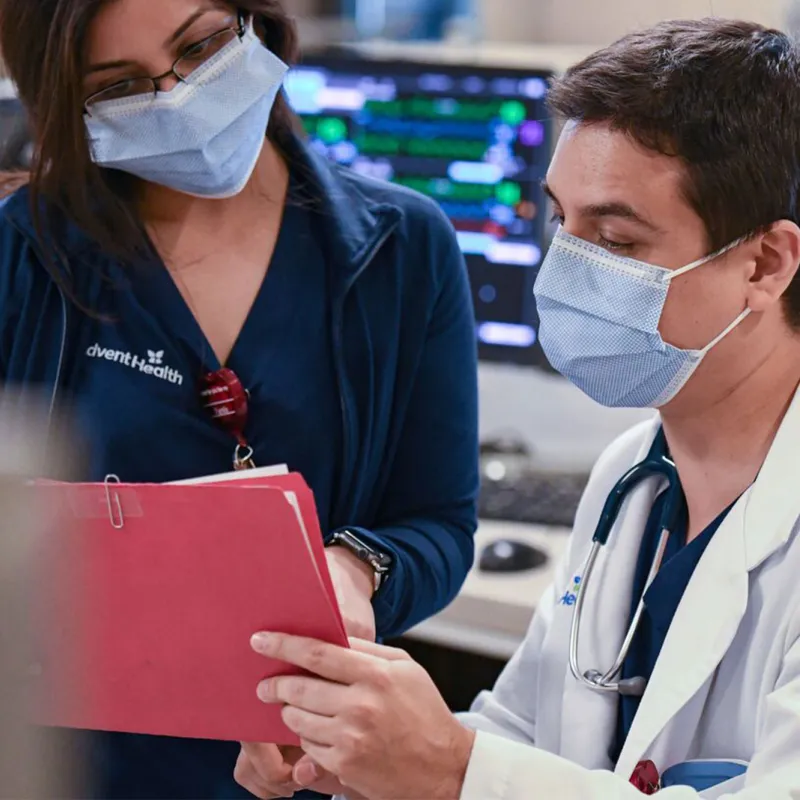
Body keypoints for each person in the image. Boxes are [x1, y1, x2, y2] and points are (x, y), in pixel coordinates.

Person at [242, 17, 800, 800]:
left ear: (765, 263)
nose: (562, 274)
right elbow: (527, 737)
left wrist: (452, 770)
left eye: (616, 241)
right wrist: (360, 750)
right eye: (561, 224)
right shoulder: (631, 478)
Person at [0, 0, 479, 797]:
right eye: (122, 85)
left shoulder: (401, 247)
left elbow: (439, 523)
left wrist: (354, 569)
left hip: (312, 765)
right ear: (70, 110)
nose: (180, 93)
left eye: (202, 44)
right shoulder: (25, 256)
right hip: (69, 769)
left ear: (258, 21)